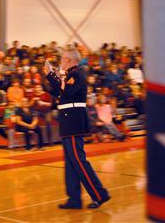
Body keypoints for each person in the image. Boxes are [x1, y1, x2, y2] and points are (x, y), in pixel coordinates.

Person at [45, 48, 110, 209]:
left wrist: (52, 75)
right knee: (71, 163)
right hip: (68, 121)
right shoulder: (69, 76)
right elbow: (56, 91)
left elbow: (67, 91)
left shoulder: (77, 74)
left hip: (73, 121)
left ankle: (99, 194)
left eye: (62, 59)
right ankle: (74, 199)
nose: (60, 61)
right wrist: (49, 76)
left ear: (70, 60)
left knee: (79, 161)